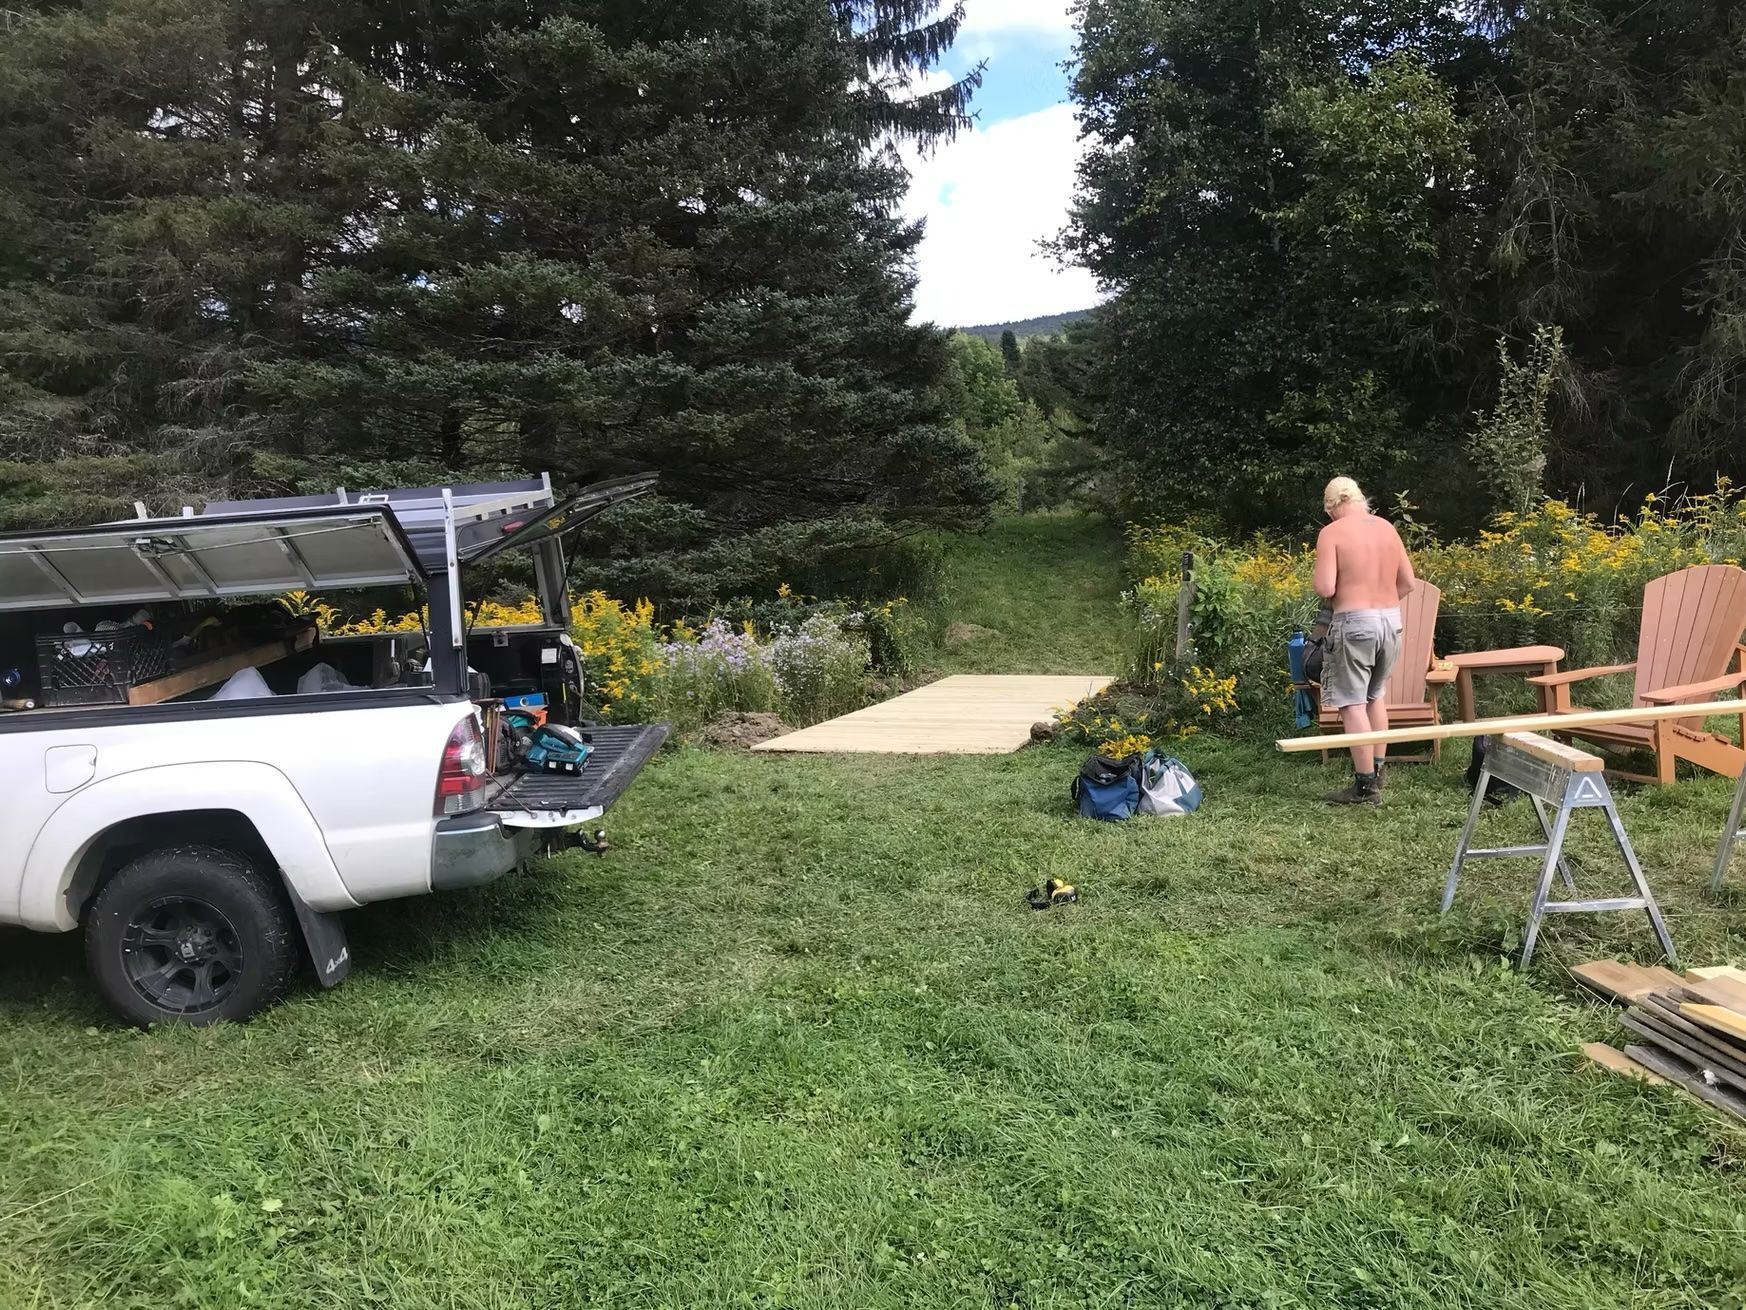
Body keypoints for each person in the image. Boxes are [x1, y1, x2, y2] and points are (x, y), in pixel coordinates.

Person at [1312, 476, 1416, 805]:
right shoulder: (1386, 527)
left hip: (1354, 622)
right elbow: (1408, 583)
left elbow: (1325, 588)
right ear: (1361, 500)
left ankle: (1364, 787)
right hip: (1390, 620)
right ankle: (1379, 769)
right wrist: (1380, 604)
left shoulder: (1331, 533)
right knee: (1376, 696)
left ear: (1331, 508)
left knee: (1351, 703)